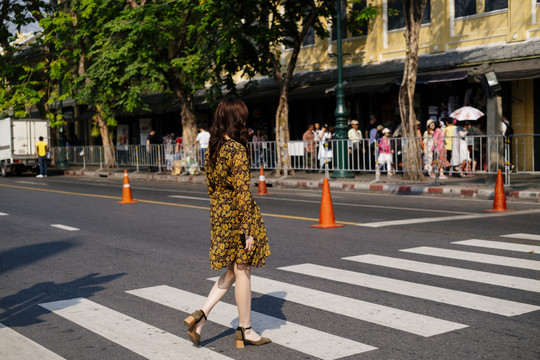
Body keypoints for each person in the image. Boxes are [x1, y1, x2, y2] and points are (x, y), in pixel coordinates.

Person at [183, 97, 271, 349]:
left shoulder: (213, 148)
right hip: (237, 214)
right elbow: (243, 192)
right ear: (237, 119)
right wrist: (248, 230)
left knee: (233, 270)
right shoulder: (237, 150)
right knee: (243, 269)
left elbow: (212, 188)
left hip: (220, 214)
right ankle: (246, 330)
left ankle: (200, 316)